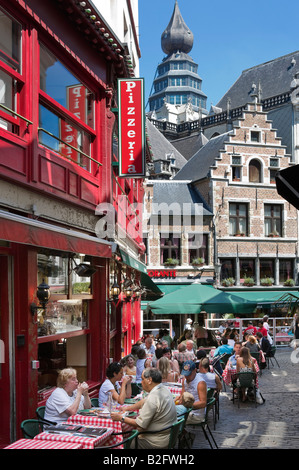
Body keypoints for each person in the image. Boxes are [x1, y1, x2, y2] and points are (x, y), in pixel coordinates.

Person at [111, 368, 177, 449]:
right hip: (168, 437)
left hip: (154, 442)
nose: (141, 382)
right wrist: (127, 408)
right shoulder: (164, 389)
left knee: (121, 444)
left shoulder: (153, 397)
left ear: (149, 380)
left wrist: (121, 418)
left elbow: (140, 424)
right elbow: (143, 401)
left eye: (142, 379)